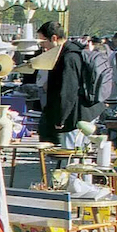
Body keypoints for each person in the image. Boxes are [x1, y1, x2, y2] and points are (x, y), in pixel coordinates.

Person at [38, 20, 88, 148]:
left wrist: (61, 117)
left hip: (74, 116)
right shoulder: (67, 53)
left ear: (54, 38)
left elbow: (68, 91)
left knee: (71, 154)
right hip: (74, 113)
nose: (43, 46)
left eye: (43, 42)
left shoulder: (69, 57)